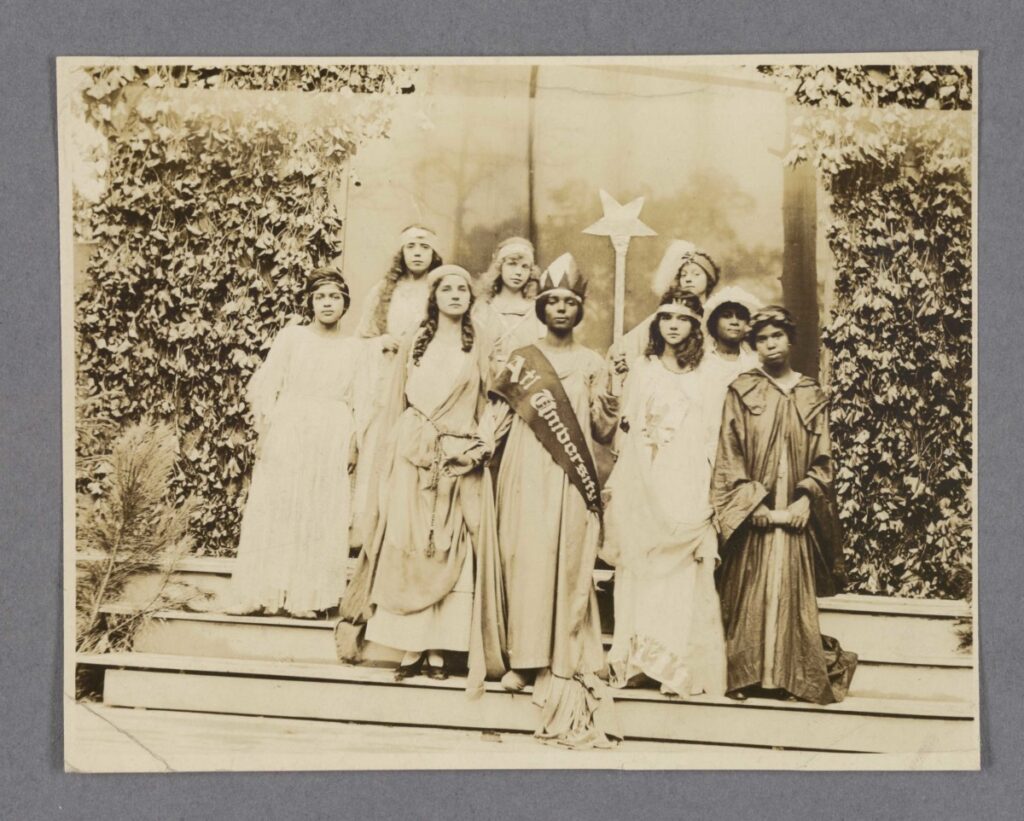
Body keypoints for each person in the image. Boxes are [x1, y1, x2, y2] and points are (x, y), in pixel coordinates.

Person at [471, 252, 624, 748]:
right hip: (523, 468)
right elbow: (496, 417)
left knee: (566, 561)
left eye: (569, 302)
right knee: (525, 558)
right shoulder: (522, 358)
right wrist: (476, 451)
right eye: (552, 301)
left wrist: (613, 392)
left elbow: (601, 432)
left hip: (571, 476)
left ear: (580, 310)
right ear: (541, 306)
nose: (560, 308)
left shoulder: (593, 362)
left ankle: (557, 657)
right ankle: (522, 658)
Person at [711, 306, 857, 704]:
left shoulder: (811, 393)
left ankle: (796, 679)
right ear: (753, 345)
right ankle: (744, 676)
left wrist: (807, 498)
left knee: (792, 595)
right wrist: (748, 500)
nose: (770, 344)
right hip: (755, 512)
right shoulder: (741, 389)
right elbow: (729, 450)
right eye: (761, 339)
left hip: (794, 514)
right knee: (750, 592)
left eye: (777, 336)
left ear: (791, 341)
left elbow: (823, 456)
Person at [602, 289, 727, 698]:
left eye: (683, 318)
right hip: (646, 475)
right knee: (641, 569)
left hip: (687, 477)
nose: (673, 325)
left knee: (680, 575)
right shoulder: (644, 368)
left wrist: (708, 487)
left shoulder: (707, 373)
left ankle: (674, 667)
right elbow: (628, 427)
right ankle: (638, 661)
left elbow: (712, 433)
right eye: (666, 318)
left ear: (695, 325)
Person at [225, 269, 367, 618]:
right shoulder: (292, 338)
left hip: (332, 430)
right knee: (277, 505)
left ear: (345, 303)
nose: (328, 303)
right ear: (310, 302)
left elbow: (362, 400)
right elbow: (267, 384)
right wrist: (267, 429)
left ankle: (307, 597)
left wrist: (354, 443)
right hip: (291, 425)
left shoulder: (355, 348)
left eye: (335, 297)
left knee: (319, 509)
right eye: (321, 297)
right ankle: (260, 594)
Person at [351, 226, 445, 547]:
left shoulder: (442, 290)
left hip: (426, 380)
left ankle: (410, 534)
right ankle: (372, 534)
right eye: (411, 247)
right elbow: (361, 339)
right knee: (382, 446)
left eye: (424, 246)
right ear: (401, 253)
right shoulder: (382, 292)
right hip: (388, 379)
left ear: (434, 254)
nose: (417, 252)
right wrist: (382, 342)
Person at [608, 240, 720, 368]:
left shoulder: (717, 314)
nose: (688, 279)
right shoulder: (668, 312)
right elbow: (626, 345)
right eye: (683, 275)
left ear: (709, 279)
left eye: (696, 274)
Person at [699, 286, 762, 447]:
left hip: (744, 442)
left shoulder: (754, 365)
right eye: (726, 316)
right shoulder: (701, 363)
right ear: (714, 323)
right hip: (705, 440)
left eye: (740, 317)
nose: (734, 321)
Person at [472, 236, 545, 374]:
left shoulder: (536, 309)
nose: (518, 272)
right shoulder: (484, 307)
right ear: (500, 267)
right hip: (488, 376)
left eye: (525, 267)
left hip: (527, 380)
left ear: (531, 272)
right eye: (512, 264)